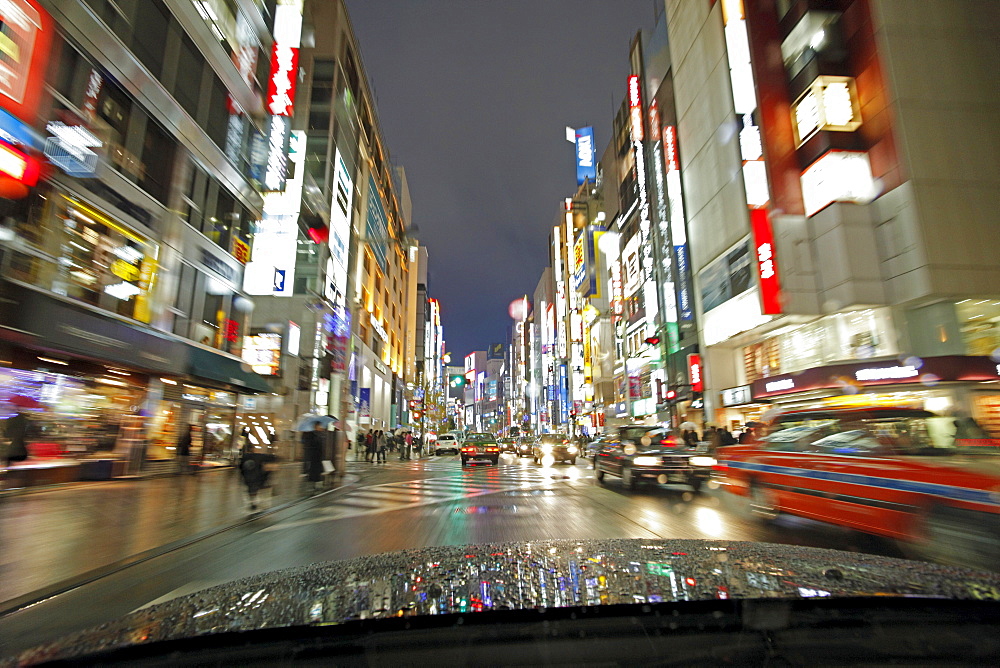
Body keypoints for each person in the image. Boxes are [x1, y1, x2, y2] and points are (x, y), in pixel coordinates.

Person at [301, 421, 325, 488]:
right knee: (314, 468)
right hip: (314, 455)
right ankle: (313, 481)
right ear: (315, 426)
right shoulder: (312, 434)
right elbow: (310, 444)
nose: (320, 427)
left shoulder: (320, 434)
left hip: (318, 455)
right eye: (319, 426)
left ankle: (315, 481)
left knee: (317, 469)